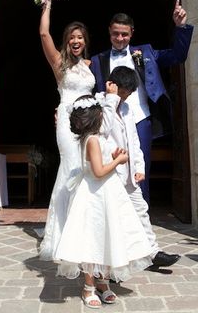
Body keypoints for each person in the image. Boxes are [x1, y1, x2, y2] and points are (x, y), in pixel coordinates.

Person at [54, 94, 153, 308]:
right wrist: (118, 161)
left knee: (110, 235)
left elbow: (101, 162)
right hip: (95, 195)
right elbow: (98, 172)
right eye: (101, 113)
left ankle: (103, 282)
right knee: (93, 239)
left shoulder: (97, 139)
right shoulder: (92, 140)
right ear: (95, 118)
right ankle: (88, 286)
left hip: (108, 194)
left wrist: (113, 155)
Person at [90, 0, 193, 203]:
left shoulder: (145, 52)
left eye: (125, 34)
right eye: (115, 34)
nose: (120, 38)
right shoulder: (97, 60)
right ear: (109, 32)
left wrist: (180, 27)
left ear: (132, 33)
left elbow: (177, 56)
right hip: (110, 122)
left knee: (141, 167)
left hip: (141, 118)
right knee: (110, 167)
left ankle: (140, 215)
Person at [37, 0, 98, 261]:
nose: (76, 41)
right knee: (71, 167)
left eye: (80, 37)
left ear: (85, 42)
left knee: (86, 170)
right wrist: (47, 4)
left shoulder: (89, 65)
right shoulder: (59, 63)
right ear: (67, 40)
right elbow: (43, 33)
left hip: (89, 123)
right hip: (67, 122)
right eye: (72, 37)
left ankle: (83, 228)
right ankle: (63, 233)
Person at [105, 66, 180, 268]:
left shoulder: (128, 109)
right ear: (112, 86)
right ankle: (113, 262)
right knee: (114, 218)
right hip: (109, 173)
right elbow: (101, 131)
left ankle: (152, 253)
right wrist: (111, 100)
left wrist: (139, 167)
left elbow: (134, 141)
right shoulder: (99, 105)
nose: (125, 97)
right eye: (122, 92)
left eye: (129, 93)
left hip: (128, 174)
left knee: (141, 210)